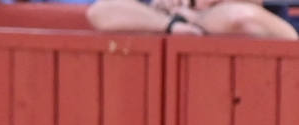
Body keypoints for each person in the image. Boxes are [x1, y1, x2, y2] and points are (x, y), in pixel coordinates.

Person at [87, 0, 299, 39]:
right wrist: (170, 24)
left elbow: (241, 18)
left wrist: (192, 18)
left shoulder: (278, 15)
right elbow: (100, 12)